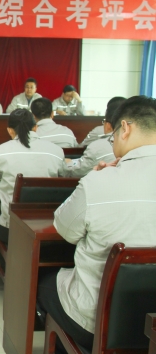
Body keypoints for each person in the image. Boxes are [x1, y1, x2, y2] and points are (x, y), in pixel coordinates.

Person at [37, 96, 156, 352]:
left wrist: (92, 178)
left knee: (45, 284)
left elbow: (65, 230)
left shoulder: (99, 181)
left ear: (125, 128)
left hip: (100, 323)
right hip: (152, 328)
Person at [0, 109, 64, 257]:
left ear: (10, 130)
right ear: (35, 127)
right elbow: (64, 177)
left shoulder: (1, 151)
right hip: (48, 225)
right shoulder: (57, 151)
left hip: (13, 227)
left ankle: (7, 265)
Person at [63, 97, 125, 178]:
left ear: (108, 125)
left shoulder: (97, 146)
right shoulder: (138, 146)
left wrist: (68, 163)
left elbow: (76, 173)